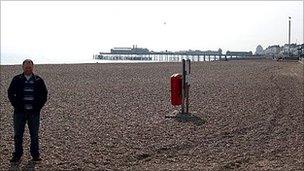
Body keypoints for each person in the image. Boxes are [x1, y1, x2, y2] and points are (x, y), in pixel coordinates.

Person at [8, 59, 48, 162]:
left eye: (30, 67)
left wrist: (38, 107)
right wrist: (16, 105)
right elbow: (10, 93)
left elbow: (44, 94)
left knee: (34, 135)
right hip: (19, 113)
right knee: (18, 135)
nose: (28, 69)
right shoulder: (17, 79)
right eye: (26, 67)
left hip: (34, 113)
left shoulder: (38, 80)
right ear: (22, 67)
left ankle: (35, 155)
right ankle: (17, 155)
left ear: (33, 67)